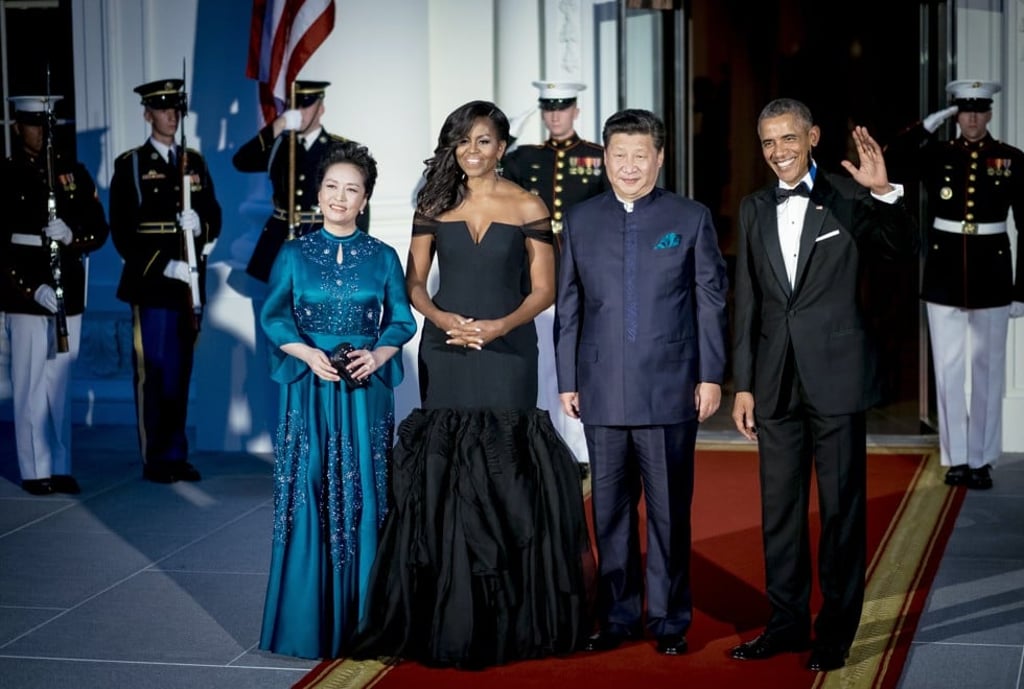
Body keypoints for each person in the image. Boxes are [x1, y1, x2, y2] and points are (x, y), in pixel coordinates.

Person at [352, 100, 591, 669]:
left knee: (505, 467)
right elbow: (414, 282)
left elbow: (544, 289)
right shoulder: (434, 203)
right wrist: (442, 321)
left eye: (483, 141)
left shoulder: (528, 204)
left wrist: (499, 325)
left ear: (502, 147)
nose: (472, 152)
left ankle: (512, 614)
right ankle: (447, 611)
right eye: (463, 141)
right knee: (448, 469)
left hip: (507, 350)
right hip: (447, 347)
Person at [730, 98, 918, 672]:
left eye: (788, 139)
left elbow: (902, 251)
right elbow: (748, 302)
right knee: (778, 511)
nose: (778, 153)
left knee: (840, 511)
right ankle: (786, 623)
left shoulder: (848, 192)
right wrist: (743, 384)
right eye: (768, 143)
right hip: (774, 381)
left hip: (836, 377)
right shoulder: (754, 206)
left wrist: (885, 192)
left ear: (811, 136)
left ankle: (835, 629)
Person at [554, 108, 729, 657]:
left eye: (640, 156)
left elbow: (710, 303)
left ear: (659, 157)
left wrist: (711, 375)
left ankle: (671, 621)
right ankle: (618, 617)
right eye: (618, 155)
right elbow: (569, 305)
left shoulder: (691, 217)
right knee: (608, 513)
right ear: (604, 157)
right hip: (601, 387)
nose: (629, 167)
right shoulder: (580, 220)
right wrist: (567, 379)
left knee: (670, 514)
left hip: (670, 387)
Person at [257, 141, 416, 659]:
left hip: (363, 389)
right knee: (309, 486)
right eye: (332, 187)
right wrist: (305, 353)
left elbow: (401, 318)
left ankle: (366, 622)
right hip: (309, 388)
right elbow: (274, 315)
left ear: (365, 197)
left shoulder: (384, 257)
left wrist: (380, 353)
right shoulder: (293, 252)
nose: (340, 198)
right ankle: (305, 624)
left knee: (366, 490)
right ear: (317, 192)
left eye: (352, 189)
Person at [884, 79, 1024, 490]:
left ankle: (981, 460)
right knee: (947, 370)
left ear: (991, 113)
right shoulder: (938, 155)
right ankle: (957, 458)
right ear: (956, 114)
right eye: (964, 110)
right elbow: (894, 161)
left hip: (993, 273)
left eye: (979, 110)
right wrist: (928, 125)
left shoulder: (1011, 159)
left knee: (987, 370)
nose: (973, 118)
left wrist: (1021, 289)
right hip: (945, 272)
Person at [109, 79, 222, 483]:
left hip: (188, 283)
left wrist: (202, 225)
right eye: (162, 109)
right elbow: (122, 230)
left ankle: (176, 454)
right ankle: (155, 456)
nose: (170, 116)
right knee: (154, 372)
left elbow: (214, 214)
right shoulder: (132, 164)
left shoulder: (194, 162)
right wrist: (162, 265)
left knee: (180, 372)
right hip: (153, 283)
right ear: (147, 114)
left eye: (175, 109)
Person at [0, 94, 109, 495]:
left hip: (68, 291)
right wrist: (32, 289)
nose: (41, 131)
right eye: (33, 124)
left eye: (47, 124)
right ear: (17, 127)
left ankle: (59, 464)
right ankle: (34, 469)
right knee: (28, 384)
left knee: (59, 384)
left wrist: (72, 234)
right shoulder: (7, 174)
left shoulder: (72, 173)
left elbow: (98, 228)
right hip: (26, 294)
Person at [502, 80, 608, 477]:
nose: (555, 116)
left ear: (576, 111)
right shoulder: (524, 157)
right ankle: (547, 442)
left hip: (583, 268)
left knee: (581, 355)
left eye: (562, 109)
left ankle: (581, 447)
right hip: (536, 266)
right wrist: (505, 133)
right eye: (549, 109)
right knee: (545, 354)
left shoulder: (597, 157)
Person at [233, 80, 370, 282]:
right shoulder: (280, 146)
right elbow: (241, 161)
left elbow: (359, 204)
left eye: (305, 105)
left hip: (324, 240)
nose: (299, 112)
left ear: (320, 108)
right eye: (294, 106)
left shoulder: (340, 150)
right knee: (279, 310)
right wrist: (278, 125)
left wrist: (352, 250)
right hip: (280, 242)